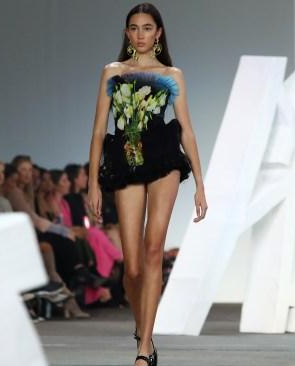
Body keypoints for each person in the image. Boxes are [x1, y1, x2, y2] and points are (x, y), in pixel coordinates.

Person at [86, 3, 208, 366]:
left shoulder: (173, 74)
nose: (140, 34)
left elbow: (186, 129)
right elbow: (98, 131)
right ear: (127, 33)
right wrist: (93, 183)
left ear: (158, 33)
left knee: (154, 249)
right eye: (134, 28)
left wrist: (200, 182)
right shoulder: (113, 73)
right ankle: (143, 331)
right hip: (124, 161)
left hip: (164, 159)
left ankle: (145, 349)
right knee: (133, 266)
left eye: (147, 28)